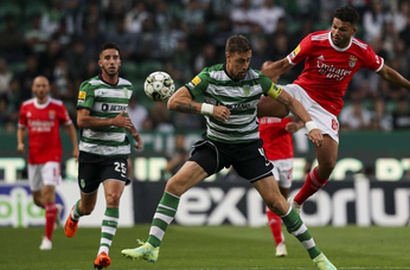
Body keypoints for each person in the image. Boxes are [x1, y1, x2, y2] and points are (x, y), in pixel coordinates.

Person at [121, 35, 337, 270]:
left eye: (248, 61)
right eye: (241, 61)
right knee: (174, 185)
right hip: (217, 145)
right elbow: (174, 102)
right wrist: (209, 109)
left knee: (278, 203)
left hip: (248, 147)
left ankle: (317, 256)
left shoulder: (258, 80)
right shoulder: (209, 76)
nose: (245, 66)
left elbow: (292, 102)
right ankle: (152, 247)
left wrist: (311, 125)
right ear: (228, 57)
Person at [258, 5, 410, 213]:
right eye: (334, 27)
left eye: (342, 29)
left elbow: (386, 73)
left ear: (353, 31)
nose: (336, 32)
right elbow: (284, 65)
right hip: (301, 92)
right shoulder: (314, 41)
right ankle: (224, 135)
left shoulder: (361, 51)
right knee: (257, 108)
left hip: (326, 108)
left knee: (328, 164)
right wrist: (260, 76)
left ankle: (296, 203)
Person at [63, 42, 143, 270]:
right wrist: (112, 122)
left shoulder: (127, 87)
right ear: (100, 62)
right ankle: (75, 214)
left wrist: (134, 133)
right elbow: (82, 120)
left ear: (120, 61)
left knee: (113, 198)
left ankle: (103, 252)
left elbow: (122, 115)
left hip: (116, 152)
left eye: (115, 57)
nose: (111, 61)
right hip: (90, 153)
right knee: (88, 206)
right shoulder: (89, 87)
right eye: (107, 58)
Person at [17, 75, 79, 250]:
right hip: (34, 158)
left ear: (49, 88)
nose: (41, 89)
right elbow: (21, 128)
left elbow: (69, 126)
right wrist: (20, 143)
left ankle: (47, 239)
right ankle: (54, 210)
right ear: (33, 88)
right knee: (38, 200)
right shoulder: (26, 107)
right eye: (38, 86)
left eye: (44, 85)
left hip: (52, 156)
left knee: (49, 192)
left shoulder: (58, 106)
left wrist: (76, 147)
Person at [258, 61, 303, 257]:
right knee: (273, 200)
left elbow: (304, 115)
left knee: (282, 202)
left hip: (286, 157)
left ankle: (285, 224)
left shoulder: (284, 97)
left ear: (276, 76)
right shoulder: (255, 98)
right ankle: (279, 244)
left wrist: (299, 126)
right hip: (266, 156)